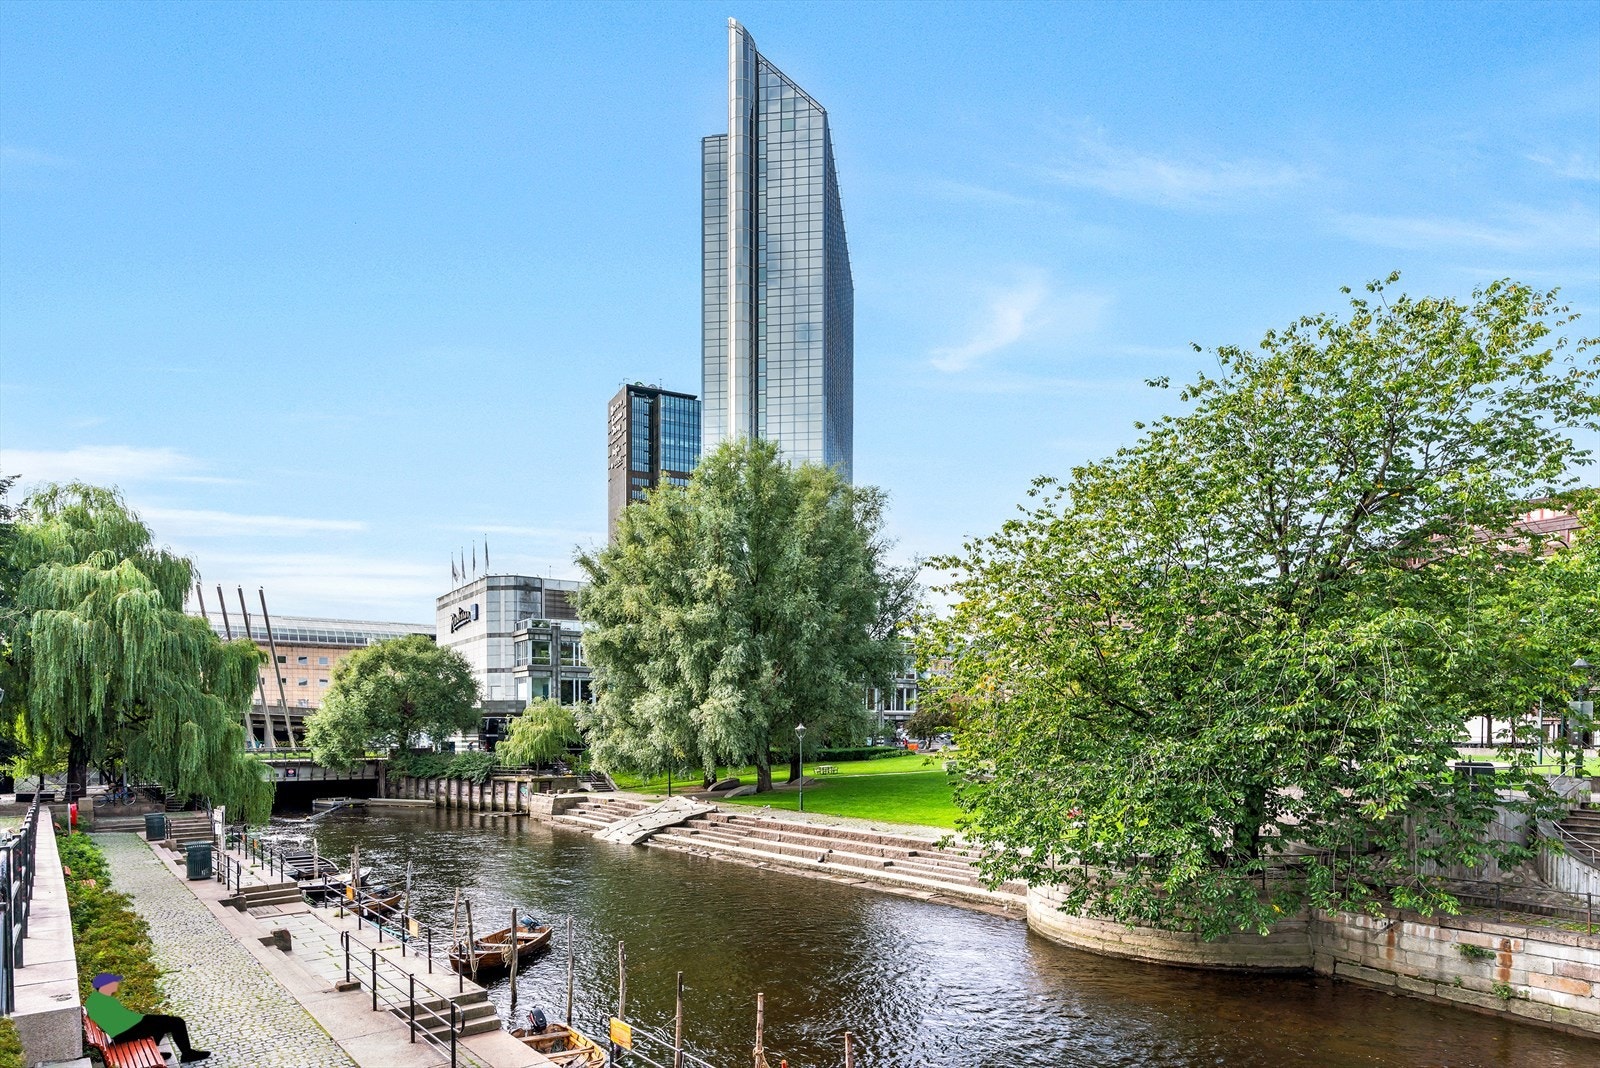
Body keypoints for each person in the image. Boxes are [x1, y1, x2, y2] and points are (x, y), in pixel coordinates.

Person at [85, 973, 210, 1063]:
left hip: (126, 1029)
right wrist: (147, 1020)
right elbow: (122, 1022)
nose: (116, 984)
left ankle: (155, 1050)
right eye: (114, 982)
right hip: (126, 1033)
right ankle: (187, 1054)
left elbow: (120, 1018)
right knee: (177, 1022)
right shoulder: (103, 1001)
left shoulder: (96, 999)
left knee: (163, 1021)